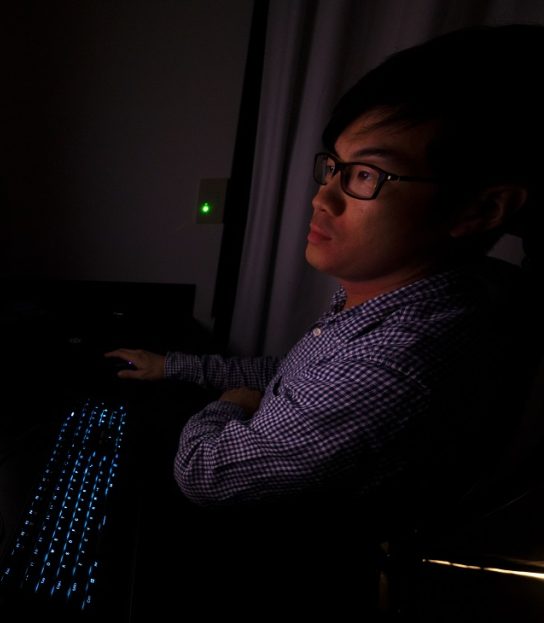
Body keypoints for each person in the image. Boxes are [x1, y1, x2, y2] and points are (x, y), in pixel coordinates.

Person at [107, 24, 542, 534]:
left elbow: (206, 474)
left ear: (480, 209)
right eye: (335, 167)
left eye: (366, 175)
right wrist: (173, 367)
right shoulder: (421, 291)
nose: (322, 199)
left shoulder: (396, 361)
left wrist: (228, 405)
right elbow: (296, 379)